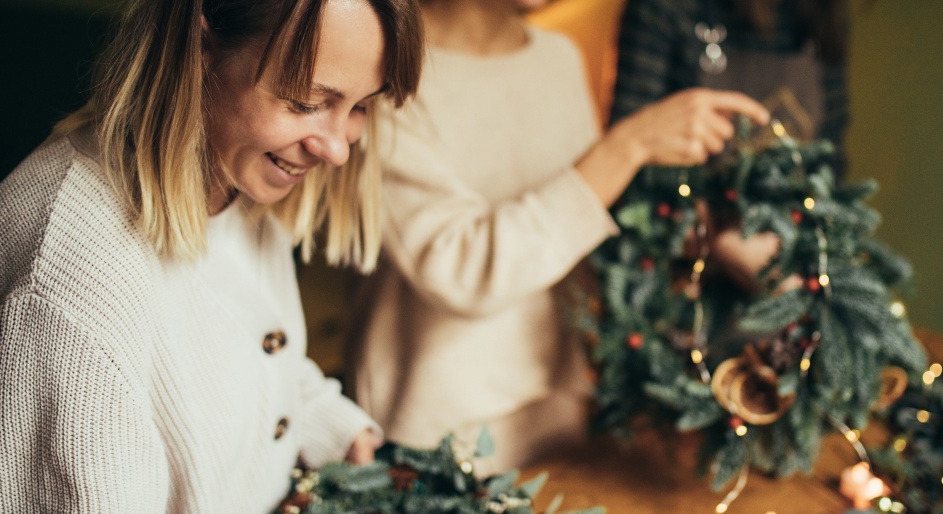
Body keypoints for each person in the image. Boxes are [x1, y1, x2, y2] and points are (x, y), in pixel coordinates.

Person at [0, 0, 421, 511]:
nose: (339, 148)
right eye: (305, 101)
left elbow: (236, 360)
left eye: (362, 105)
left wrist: (334, 432)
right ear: (200, 45)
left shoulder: (236, 175)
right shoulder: (65, 300)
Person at [345, 0, 771, 473]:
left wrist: (705, 237)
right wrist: (628, 147)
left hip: (558, 408)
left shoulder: (556, 58)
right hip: (435, 426)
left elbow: (585, 229)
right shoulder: (383, 66)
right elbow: (462, 270)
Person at [612, 0, 849, 174]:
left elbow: (829, 161)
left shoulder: (822, 17)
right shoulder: (668, 8)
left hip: (792, 232)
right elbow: (627, 156)